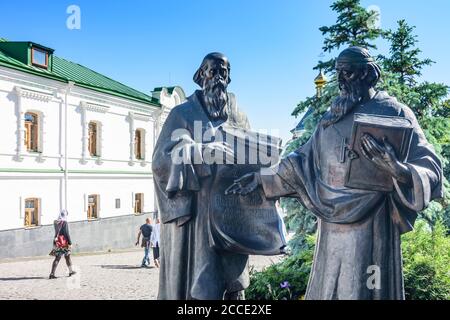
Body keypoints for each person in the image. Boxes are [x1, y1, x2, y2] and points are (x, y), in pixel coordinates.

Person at [227, 47, 443, 300]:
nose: (341, 80)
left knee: (365, 287)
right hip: (331, 224)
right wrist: (261, 179)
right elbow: (301, 161)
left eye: (348, 73)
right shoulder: (332, 117)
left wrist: (399, 170)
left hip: (372, 222)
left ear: (367, 75)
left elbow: (430, 164)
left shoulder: (394, 113)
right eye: (338, 73)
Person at [152, 52, 251, 300]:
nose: (218, 77)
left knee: (232, 285)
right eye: (212, 71)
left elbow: (251, 149)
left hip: (231, 210)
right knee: (200, 283)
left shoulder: (238, 114)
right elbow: (160, 160)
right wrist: (200, 152)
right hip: (197, 215)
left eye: (223, 72)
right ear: (201, 76)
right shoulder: (182, 114)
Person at [49, 210, 76, 279]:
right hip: (63, 242)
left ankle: (52, 273)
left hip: (57, 241)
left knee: (57, 257)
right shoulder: (64, 222)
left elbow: (57, 232)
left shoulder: (55, 222)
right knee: (67, 256)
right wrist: (70, 243)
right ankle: (70, 271)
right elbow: (66, 233)